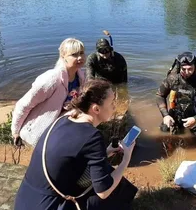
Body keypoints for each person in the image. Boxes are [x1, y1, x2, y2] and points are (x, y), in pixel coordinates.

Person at [14, 79, 138, 210]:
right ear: (96, 109)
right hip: (50, 205)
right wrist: (126, 159)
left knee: (105, 174)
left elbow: (72, 157)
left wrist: (106, 152)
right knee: (116, 188)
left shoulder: (63, 119)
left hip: (25, 200)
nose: (115, 106)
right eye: (112, 102)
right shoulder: (92, 136)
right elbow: (103, 191)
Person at [11, 38, 86, 147]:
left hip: (60, 130)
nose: (80, 57)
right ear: (63, 56)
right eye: (74, 54)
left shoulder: (81, 76)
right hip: (38, 134)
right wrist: (15, 132)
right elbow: (24, 104)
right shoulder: (51, 80)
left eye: (82, 53)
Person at [156, 51, 196, 139]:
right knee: (164, 131)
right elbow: (160, 95)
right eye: (183, 69)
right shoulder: (172, 79)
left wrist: (195, 119)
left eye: (190, 69)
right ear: (179, 67)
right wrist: (165, 115)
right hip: (176, 115)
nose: (187, 72)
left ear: (195, 67)